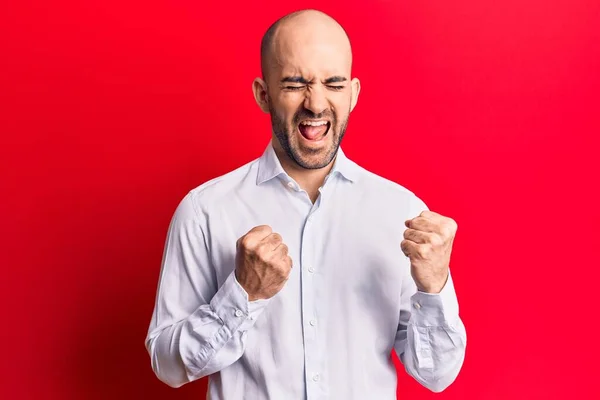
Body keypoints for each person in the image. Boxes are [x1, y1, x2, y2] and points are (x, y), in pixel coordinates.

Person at [144, 9, 467, 399]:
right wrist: (242, 294)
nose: (316, 104)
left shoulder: (400, 212)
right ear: (263, 95)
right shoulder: (204, 211)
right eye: (295, 84)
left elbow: (437, 374)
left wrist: (434, 287)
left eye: (334, 83)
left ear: (353, 94)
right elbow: (167, 366)